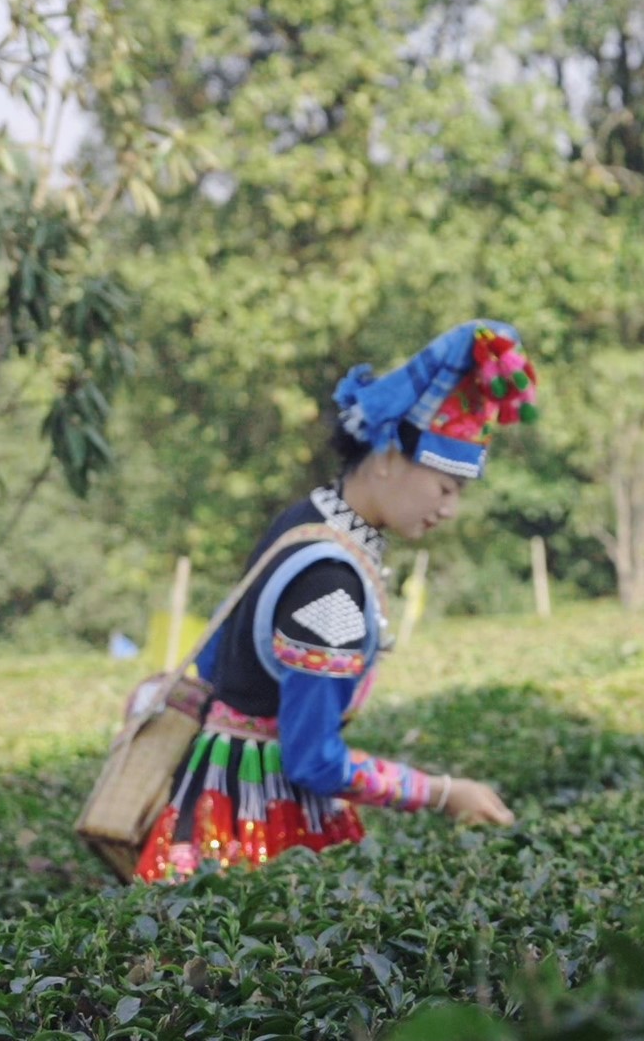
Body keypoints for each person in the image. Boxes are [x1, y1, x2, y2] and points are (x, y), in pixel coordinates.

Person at [136, 321, 537, 882]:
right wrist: (444, 793)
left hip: (207, 786)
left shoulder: (306, 520)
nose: (449, 510)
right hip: (254, 819)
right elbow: (313, 759)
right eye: (445, 488)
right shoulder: (330, 580)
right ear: (387, 456)